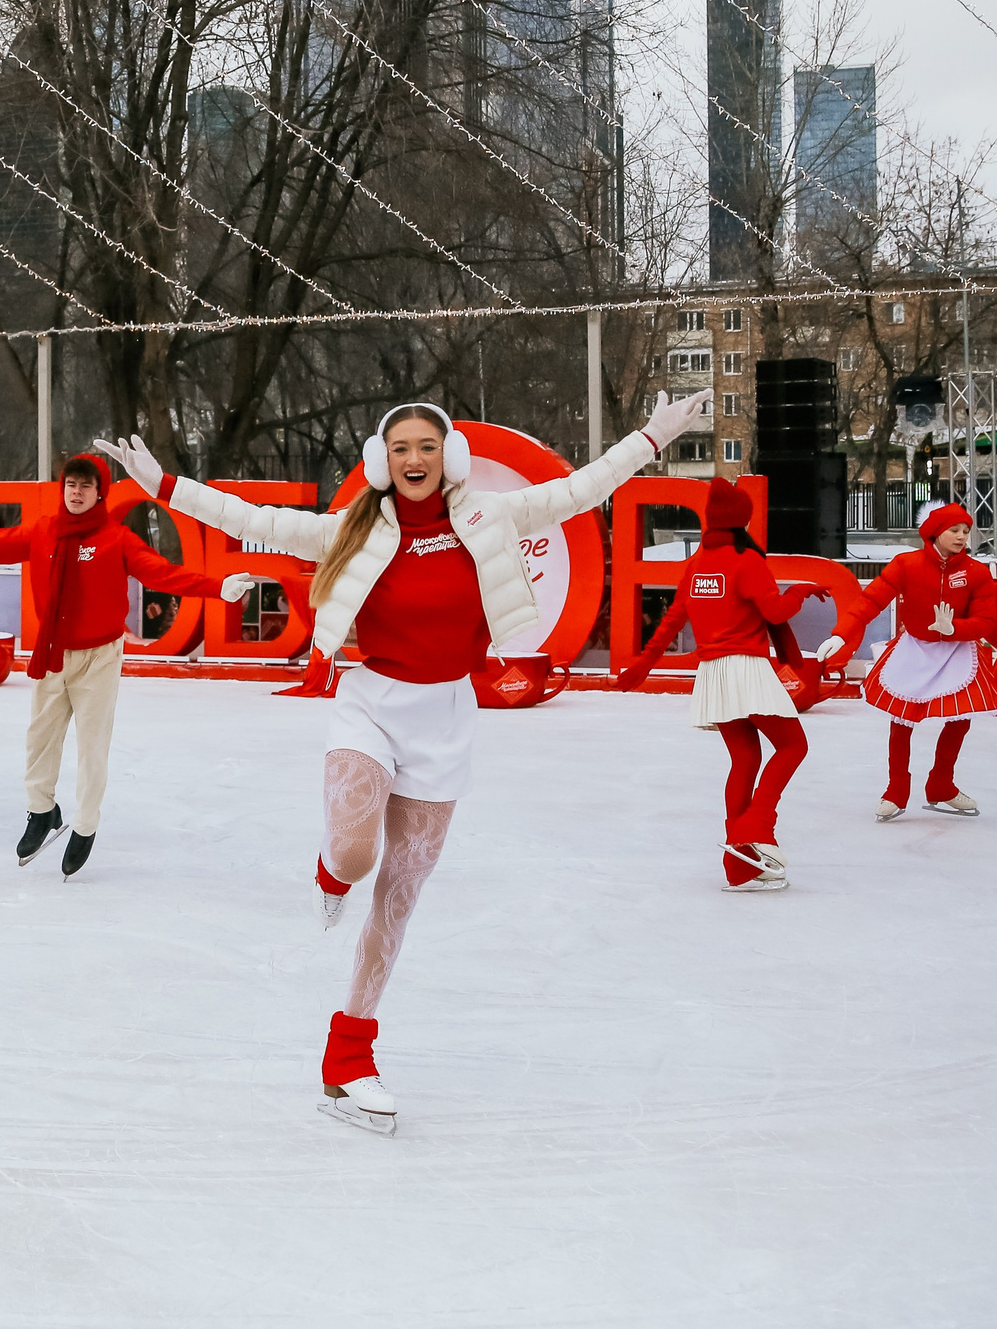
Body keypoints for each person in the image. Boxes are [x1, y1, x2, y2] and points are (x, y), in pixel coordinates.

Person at [96, 389, 706, 1135]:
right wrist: (161, 484)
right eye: (399, 448)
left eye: (425, 446)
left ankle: (348, 1055)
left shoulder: (491, 516)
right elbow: (253, 520)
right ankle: (329, 869)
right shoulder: (352, 530)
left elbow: (581, 489)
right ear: (381, 463)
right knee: (354, 855)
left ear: (448, 457)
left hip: (447, 716)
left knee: (397, 900)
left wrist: (654, 434)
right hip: (372, 704)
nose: (413, 458)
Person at [0, 451, 253, 878]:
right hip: (52, 653)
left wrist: (219, 587)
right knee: (39, 740)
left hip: (98, 658)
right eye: (71, 484)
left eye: (86, 485)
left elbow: (162, 574)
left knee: (91, 748)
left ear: (100, 492)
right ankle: (41, 811)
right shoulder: (45, 531)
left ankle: (85, 826)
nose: (77, 492)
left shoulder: (116, 538)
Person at [614, 476, 827, 890]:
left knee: (745, 760)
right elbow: (777, 611)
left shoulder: (697, 566)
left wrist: (642, 666)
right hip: (745, 667)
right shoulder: (747, 562)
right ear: (742, 520)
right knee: (793, 745)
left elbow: (672, 622)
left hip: (713, 673)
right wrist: (799, 591)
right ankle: (757, 826)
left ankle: (741, 867)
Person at [817, 502, 997, 821]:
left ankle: (941, 785)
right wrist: (841, 634)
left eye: (965, 531)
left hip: (957, 650)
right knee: (902, 718)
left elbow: (987, 621)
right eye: (955, 530)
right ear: (935, 533)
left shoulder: (976, 572)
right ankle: (896, 790)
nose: (962, 536)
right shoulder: (907, 564)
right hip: (916, 647)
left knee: (960, 717)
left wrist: (955, 628)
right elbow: (870, 601)